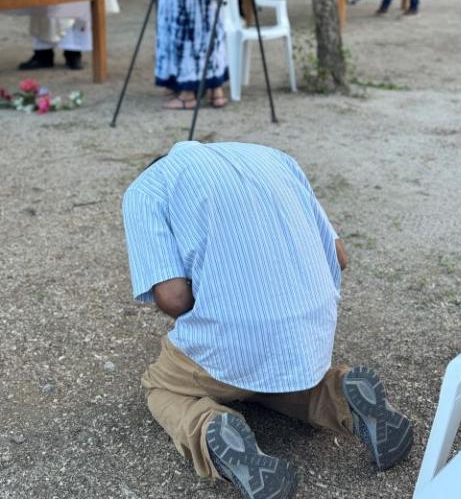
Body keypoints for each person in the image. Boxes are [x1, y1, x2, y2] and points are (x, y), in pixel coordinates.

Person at [123, 141, 414, 499]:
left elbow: (175, 298)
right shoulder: (275, 158)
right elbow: (339, 257)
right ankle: (342, 395)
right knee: (274, 376)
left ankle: (210, 426)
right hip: (307, 329)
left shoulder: (145, 189)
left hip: (229, 342)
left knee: (161, 386)